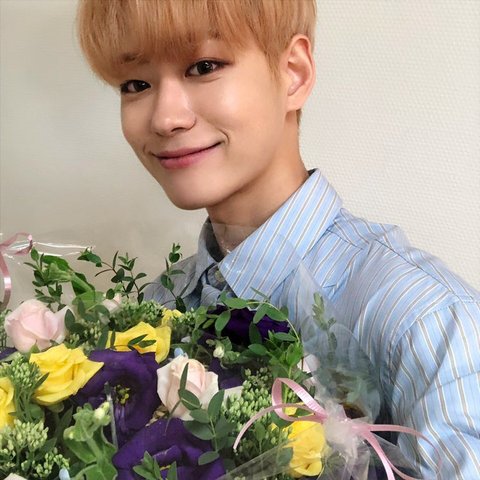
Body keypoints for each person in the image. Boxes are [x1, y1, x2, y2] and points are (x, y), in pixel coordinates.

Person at [76, 1, 479, 478]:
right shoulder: (153, 311)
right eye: (135, 84)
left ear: (293, 74)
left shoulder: (423, 318)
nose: (165, 118)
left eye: (203, 67)